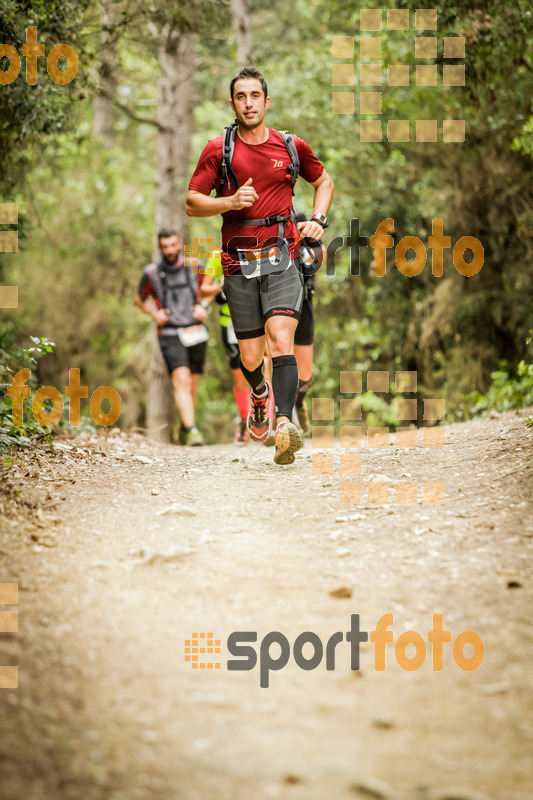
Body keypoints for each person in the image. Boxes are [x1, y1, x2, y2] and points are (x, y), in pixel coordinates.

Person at [186, 66, 333, 465]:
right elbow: (192, 201)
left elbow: (324, 182)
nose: (248, 103)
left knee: (282, 339)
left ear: (266, 101)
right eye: (241, 96)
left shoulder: (289, 145)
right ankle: (260, 394)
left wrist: (317, 220)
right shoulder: (219, 149)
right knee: (250, 358)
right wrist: (229, 203)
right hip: (237, 262)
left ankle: (284, 424)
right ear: (232, 103)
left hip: (283, 256)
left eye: (255, 96)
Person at [134, 229, 209, 446]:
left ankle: (187, 425)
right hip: (169, 332)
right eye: (164, 246)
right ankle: (192, 429)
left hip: (195, 330)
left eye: (172, 245)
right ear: (160, 248)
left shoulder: (196, 266)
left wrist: (203, 306)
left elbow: (208, 290)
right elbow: (139, 300)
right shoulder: (151, 273)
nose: (169, 250)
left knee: (192, 384)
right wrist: (153, 314)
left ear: (179, 244)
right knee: (182, 379)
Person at [200, 267, 251, 444]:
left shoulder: (259, 244)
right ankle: (244, 422)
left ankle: (270, 424)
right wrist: (220, 286)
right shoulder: (217, 256)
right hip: (229, 323)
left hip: (258, 317)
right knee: (239, 378)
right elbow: (203, 289)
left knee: (265, 367)